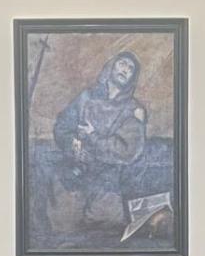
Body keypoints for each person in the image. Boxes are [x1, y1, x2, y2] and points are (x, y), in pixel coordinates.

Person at [53, 52, 147, 223]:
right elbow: (62, 126)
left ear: (133, 77)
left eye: (130, 68)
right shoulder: (85, 98)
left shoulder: (133, 110)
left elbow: (128, 151)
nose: (125, 69)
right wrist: (72, 143)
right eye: (122, 63)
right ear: (111, 66)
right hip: (73, 175)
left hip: (107, 184)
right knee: (61, 223)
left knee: (106, 227)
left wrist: (93, 137)